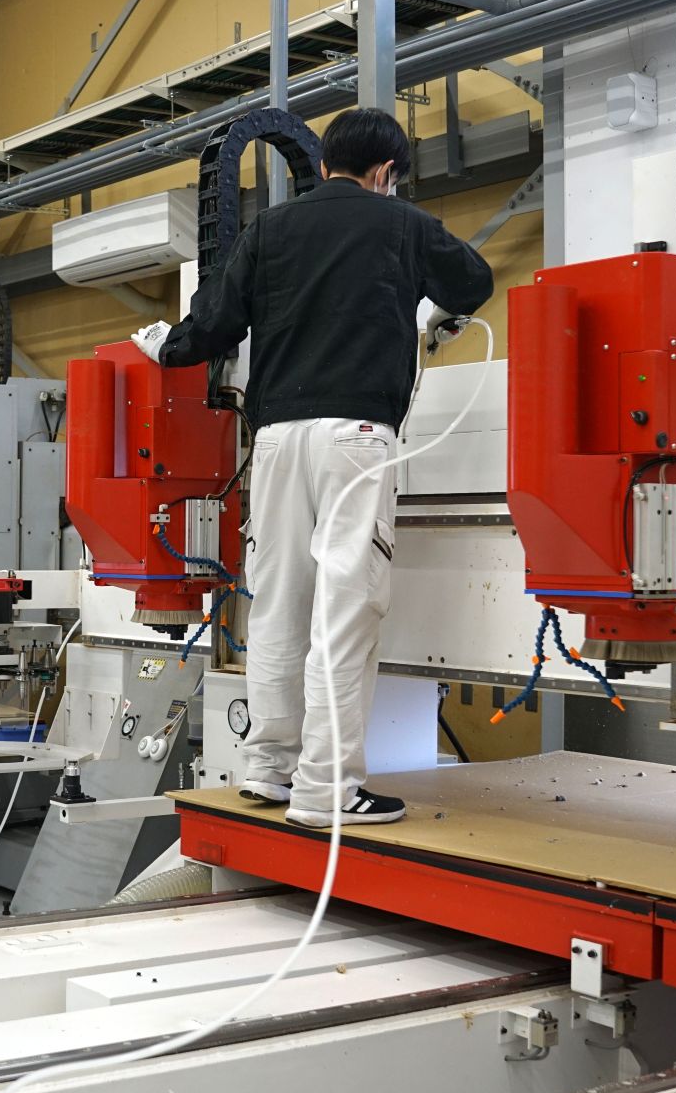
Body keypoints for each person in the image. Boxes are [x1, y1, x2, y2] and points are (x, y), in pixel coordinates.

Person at [135, 108, 492, 829]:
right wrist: (430, 308)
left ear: (324, 163)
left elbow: (213, 324)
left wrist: (165, 347)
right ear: (385, 172)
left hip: (274, 441)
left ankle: (268, 769)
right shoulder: (402, 224)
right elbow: (474, 282)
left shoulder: (270, 230)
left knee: (278, 605)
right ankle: (327, 789)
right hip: (354, 439)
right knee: (345, 610)